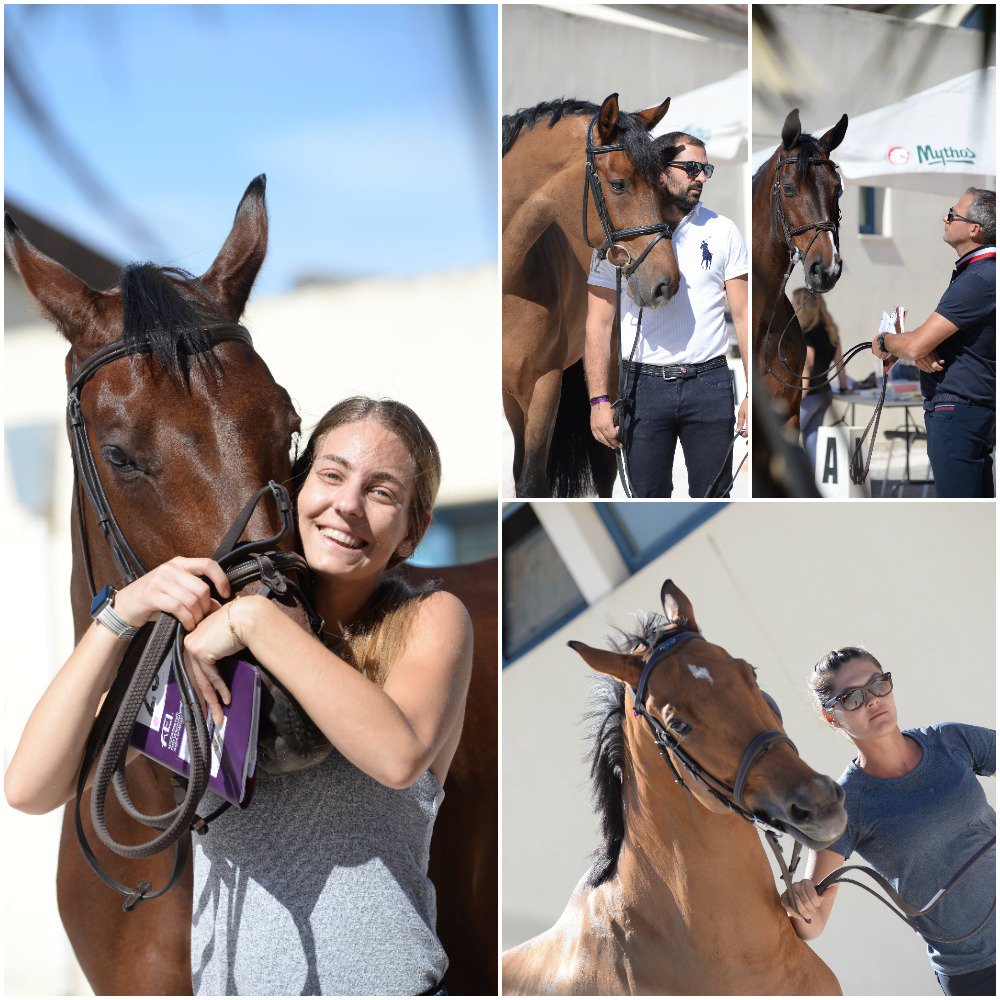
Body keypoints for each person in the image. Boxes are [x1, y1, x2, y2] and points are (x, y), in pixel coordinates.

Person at [5, 396, 472, 997]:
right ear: (294, 489)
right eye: (331, 475)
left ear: (412, 530)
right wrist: (122, 612)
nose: (348, 505)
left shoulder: (431, 617)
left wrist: (255, 622)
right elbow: (30, 786)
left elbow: (398, 755)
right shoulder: (206, 646)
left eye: (381, 492)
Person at [779, 646, 995, 997]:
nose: (872, 700)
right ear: (831, 717)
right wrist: (799, 904)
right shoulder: (845, 805)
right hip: (976, 974)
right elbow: (813, 923)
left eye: (878, 684)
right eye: (851, 697)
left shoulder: (950, 741)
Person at [584, 131, 749, 498]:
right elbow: (598, 324)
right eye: (691, 168)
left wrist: (754, 395)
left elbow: (743, 314)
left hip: (709, 384)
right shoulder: (620, 236)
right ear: (659, 171)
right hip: (642, 388)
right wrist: (598, 400)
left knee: (713, 500)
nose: (701, 177)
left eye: (705, 169)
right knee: (646, 502)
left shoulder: (722, 231)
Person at [871, 188, 995, 498]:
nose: (945, 217)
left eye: (953, 213)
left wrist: (885, 340)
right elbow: (925, 343)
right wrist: (920, 346)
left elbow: (915, 346)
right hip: (966, 411)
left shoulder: (979, 278)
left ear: (973, 229)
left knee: (960, 518)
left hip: (958, 413)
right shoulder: (979, 273)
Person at [794, 288, 849, 470]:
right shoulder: (831, 332)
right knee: (812, 439)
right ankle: (815, 485)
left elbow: (807, 366)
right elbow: (840, 364)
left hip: (808, 397)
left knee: (789, 439)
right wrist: (843, 387)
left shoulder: (805, 334)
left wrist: (802, 394)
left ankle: (794, 486)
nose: (792, 305)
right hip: (825, 394)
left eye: (794, 302)